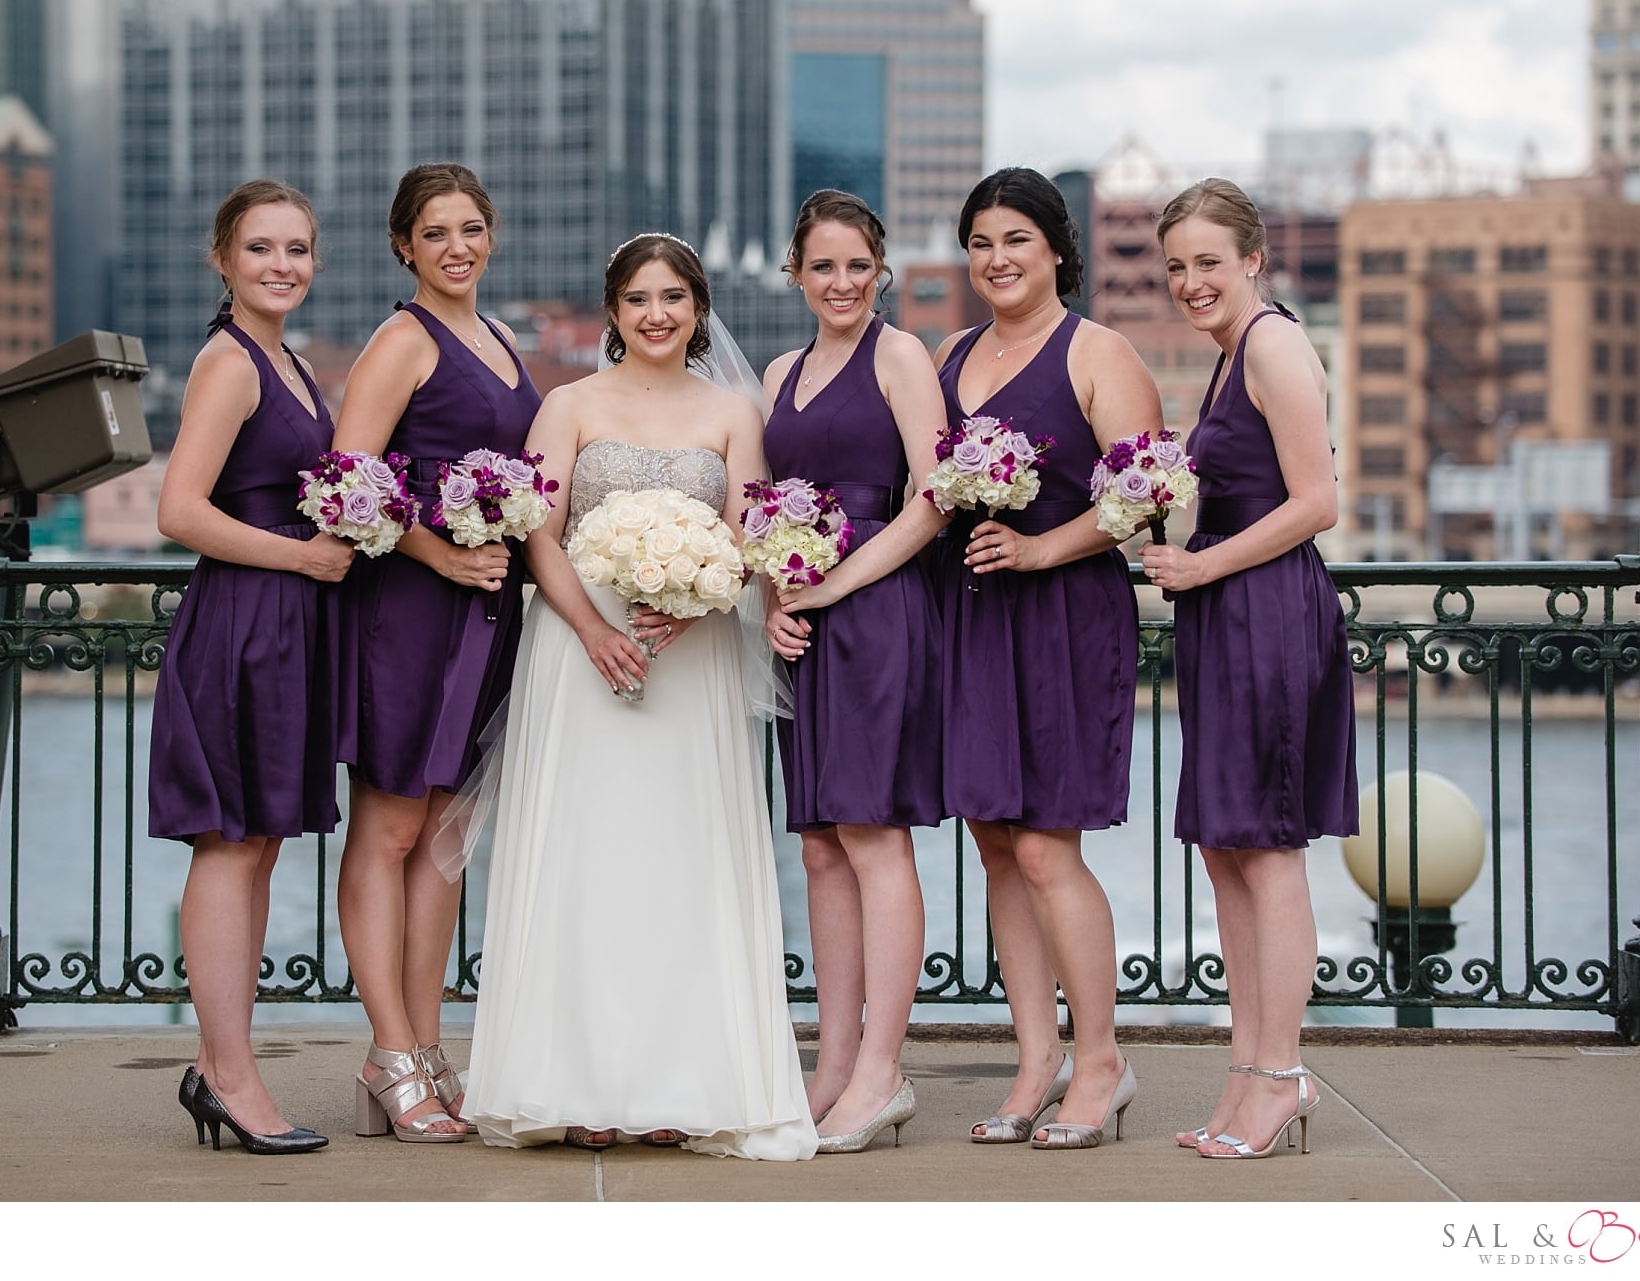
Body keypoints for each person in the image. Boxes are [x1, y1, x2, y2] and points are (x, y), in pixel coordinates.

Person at [461, 234, 817, 1160]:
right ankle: (571, 1081)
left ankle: (679, 1082)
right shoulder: (568, 403)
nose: (656, 314)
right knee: (583, 851)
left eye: (673, 297)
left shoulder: (736, 411)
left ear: (699, 307)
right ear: (614, 311)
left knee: (679, 858)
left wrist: (700, 607)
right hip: (580, 650)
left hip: (691, 657)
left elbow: (749, 534)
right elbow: (537, 531)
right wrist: (591, 627)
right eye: (637, 299)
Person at [934, 167, 1163, 1150]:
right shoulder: (947, 353)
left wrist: (1039, 545)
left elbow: (1144, 498)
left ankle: (1100, 1059)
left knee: (1043, 846)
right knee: (991, 840)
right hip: (972, 614)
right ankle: (1033, 1059)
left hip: (1066, 613)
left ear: (1057, 249)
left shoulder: (1099, 352)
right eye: (979, 243)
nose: (995, 260)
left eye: (1014, 240)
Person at [1139, 179, 1357, 1161]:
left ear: (1252, 261)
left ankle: (1280, 1075)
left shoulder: (1269, 343)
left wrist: (1200, 563)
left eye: (1207, 263)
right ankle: (1246, 1069)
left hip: (1267, 614)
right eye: (1176, 265)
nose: (1190, 282)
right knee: (1226, 849)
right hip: (1226, 616)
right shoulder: (1229, 360)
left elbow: (1318, 502)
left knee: (1266, 849)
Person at [330, 163, 541, 1142]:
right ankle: (389, 1053)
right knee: (388, 831)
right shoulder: (398, 342)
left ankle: (427, 1048)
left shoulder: (499, 339)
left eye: (471, 227)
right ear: (402, 246)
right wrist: (435, 553)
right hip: (409, 617)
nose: (457, 245)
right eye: (435, 232)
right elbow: (346, 485)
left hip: (486, 621)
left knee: (445, 842)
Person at [148, 178, 354, 1154]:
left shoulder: (290, 360)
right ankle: (230, 1076)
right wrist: (302, 556)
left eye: (298, 249)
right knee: (229, 846)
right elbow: (178, 509)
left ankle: (219, 1062)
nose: (282, 265)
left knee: (257, 845)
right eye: (262, 248)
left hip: (285, 623)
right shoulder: (229, 363)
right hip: (241, 617)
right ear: (222, 259)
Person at [761, 190, 946, 1153]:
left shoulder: (901, 356)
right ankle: (832, 1062)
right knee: (821, 843)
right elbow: (760, 504)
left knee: (874, 835)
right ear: (795, 273)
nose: (841, 282)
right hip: (805, 618)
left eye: (857, 266)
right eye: (822, 266)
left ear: (880, 269)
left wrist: (833, 585)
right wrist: (772, 600)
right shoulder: (781, 370)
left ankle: (883, 1069)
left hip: (876, 608)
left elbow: (934, 500)